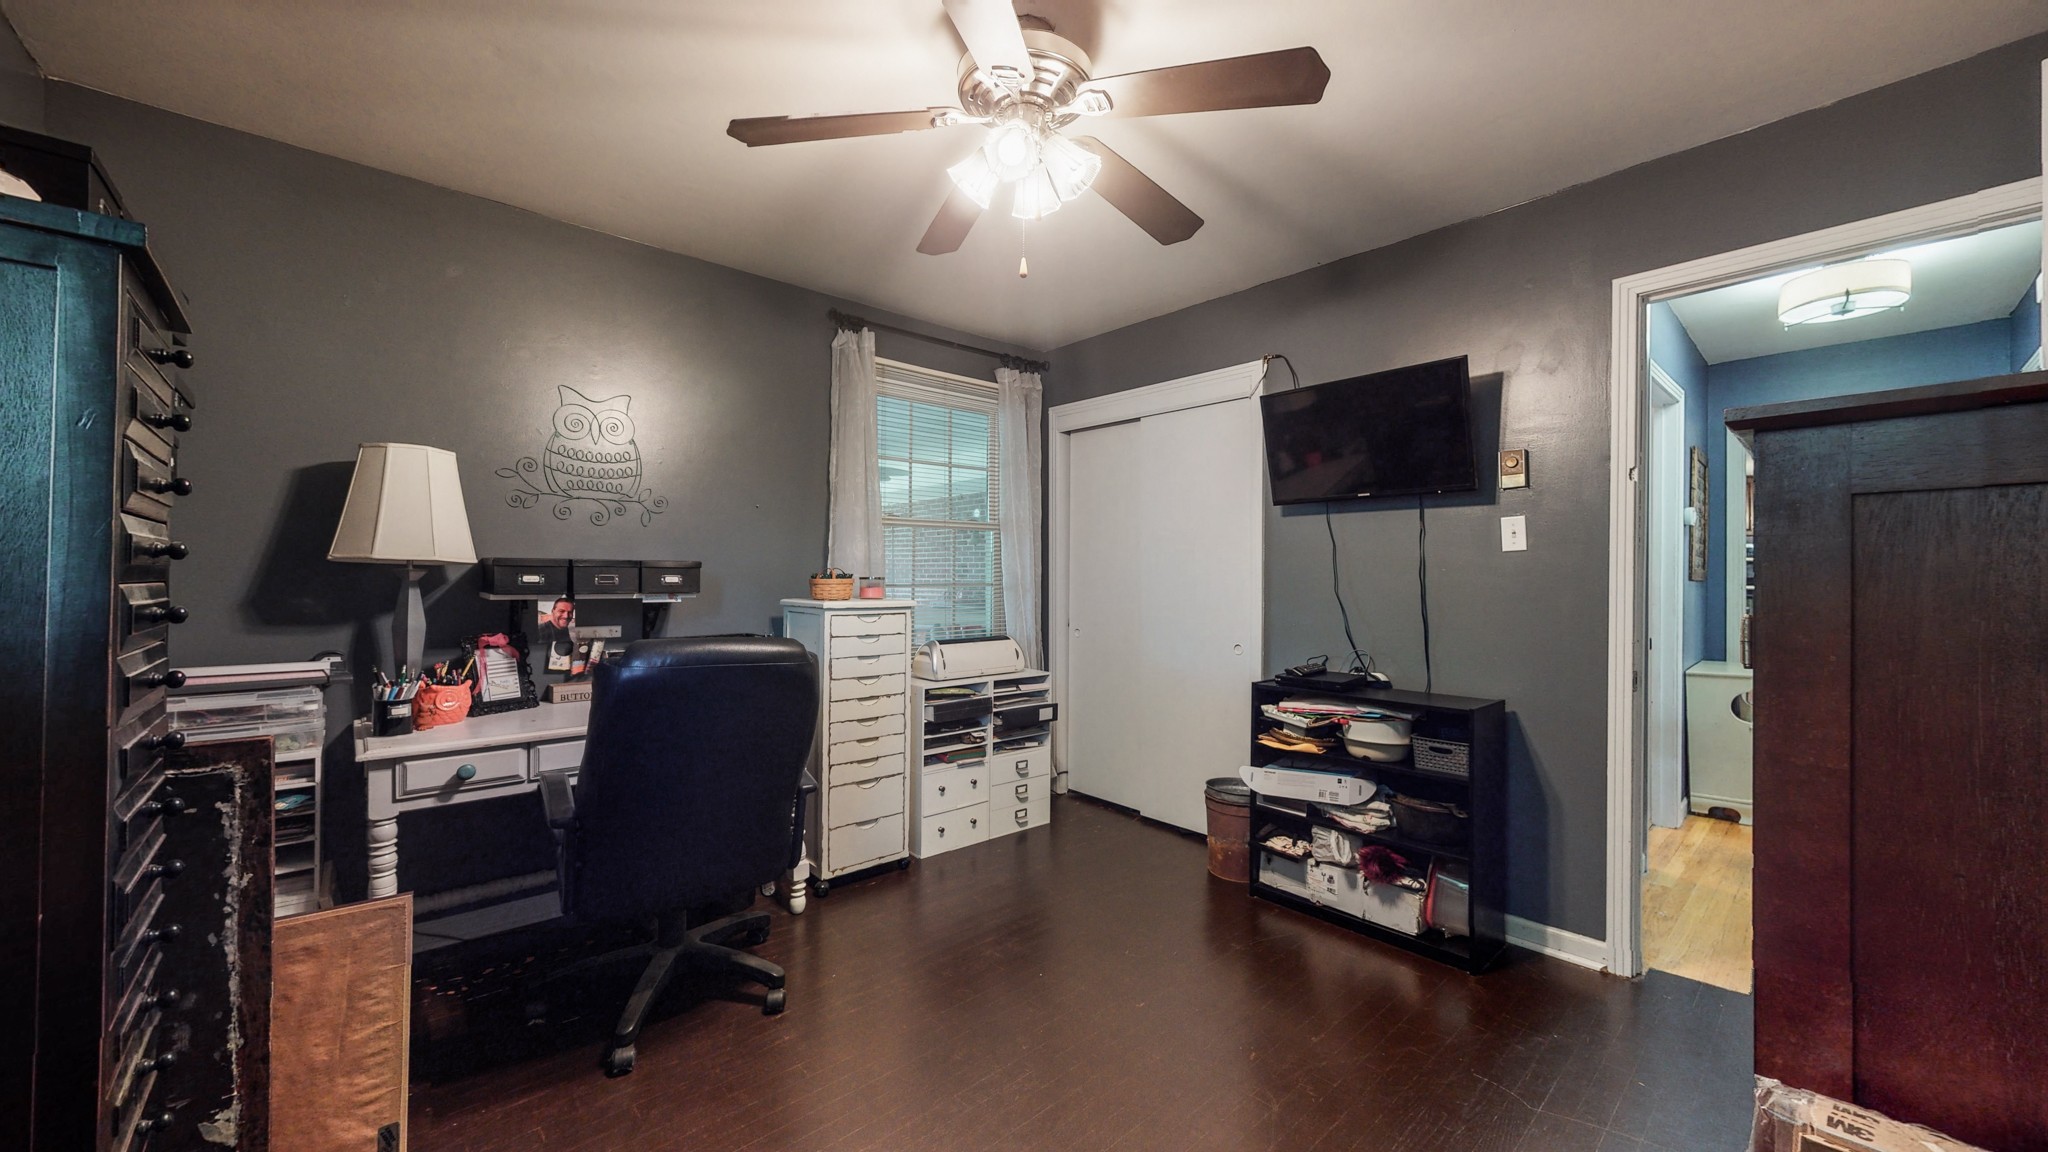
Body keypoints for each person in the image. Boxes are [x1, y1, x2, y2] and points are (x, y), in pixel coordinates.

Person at [538, 597, 575, 671]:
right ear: (553, 611)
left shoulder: (564, 629)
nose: (566, 616)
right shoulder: (541, 631)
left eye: (570, 612)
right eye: (561, 611)